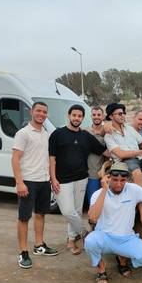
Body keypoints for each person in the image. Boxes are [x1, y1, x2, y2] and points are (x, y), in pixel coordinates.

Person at [49, 104, 107, 255]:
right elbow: (52, 159)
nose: (76, 118)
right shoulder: (57, 134)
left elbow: (103, 151)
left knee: (77, 211)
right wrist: (53, 178)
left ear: (82, 118)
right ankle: (85, 233)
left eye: (79, 116)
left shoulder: (85, 136)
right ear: (69, 116)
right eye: (74, 115)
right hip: (62, 180)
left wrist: (120, 155)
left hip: (81, 178)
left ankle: (70, 241)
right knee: (68, 211)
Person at [12, 101, 58, 269]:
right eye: (38, 111)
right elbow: (15, 158)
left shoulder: (46, 133)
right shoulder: (23, 133)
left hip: (43, 181)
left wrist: (51, 179)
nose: (41, 114)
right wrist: (20, 182)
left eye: (44, 112)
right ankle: (23, 252)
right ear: (32, 112)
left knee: (41, 214)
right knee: (24, 217)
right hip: (28, 181)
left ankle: (39, 245)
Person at [103, 103, 142, 230]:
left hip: (140, 158)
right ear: (111, 116)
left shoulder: (129, 128)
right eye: (120, 113)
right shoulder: (108, 135)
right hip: (124, 161)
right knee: (137, 173)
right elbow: (121, 154)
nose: (123, 115)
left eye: (124, 113)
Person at [85, 106, 109, 206]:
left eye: (99, 115)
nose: (96, 117)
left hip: (103, 171)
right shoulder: (85, 131)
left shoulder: (107, 130)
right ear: (91, 116)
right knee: (93, 201)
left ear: (103, 116)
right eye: (94, 115)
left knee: (104, 202)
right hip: (91, 172)